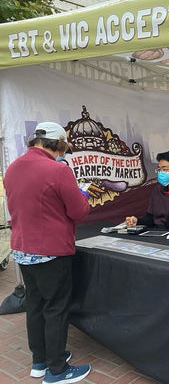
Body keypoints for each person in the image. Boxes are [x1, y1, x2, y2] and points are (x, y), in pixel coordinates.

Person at [3, 122, 92, 383]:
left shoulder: (13, 167)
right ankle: (57, 370)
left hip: (22, 249)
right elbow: (78, 211)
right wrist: (83, 195)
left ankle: (40, 361)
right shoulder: (58, 170)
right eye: (65, 145)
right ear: (58, 143)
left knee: (35, 305)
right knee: (56, 308)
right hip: (51, 250)